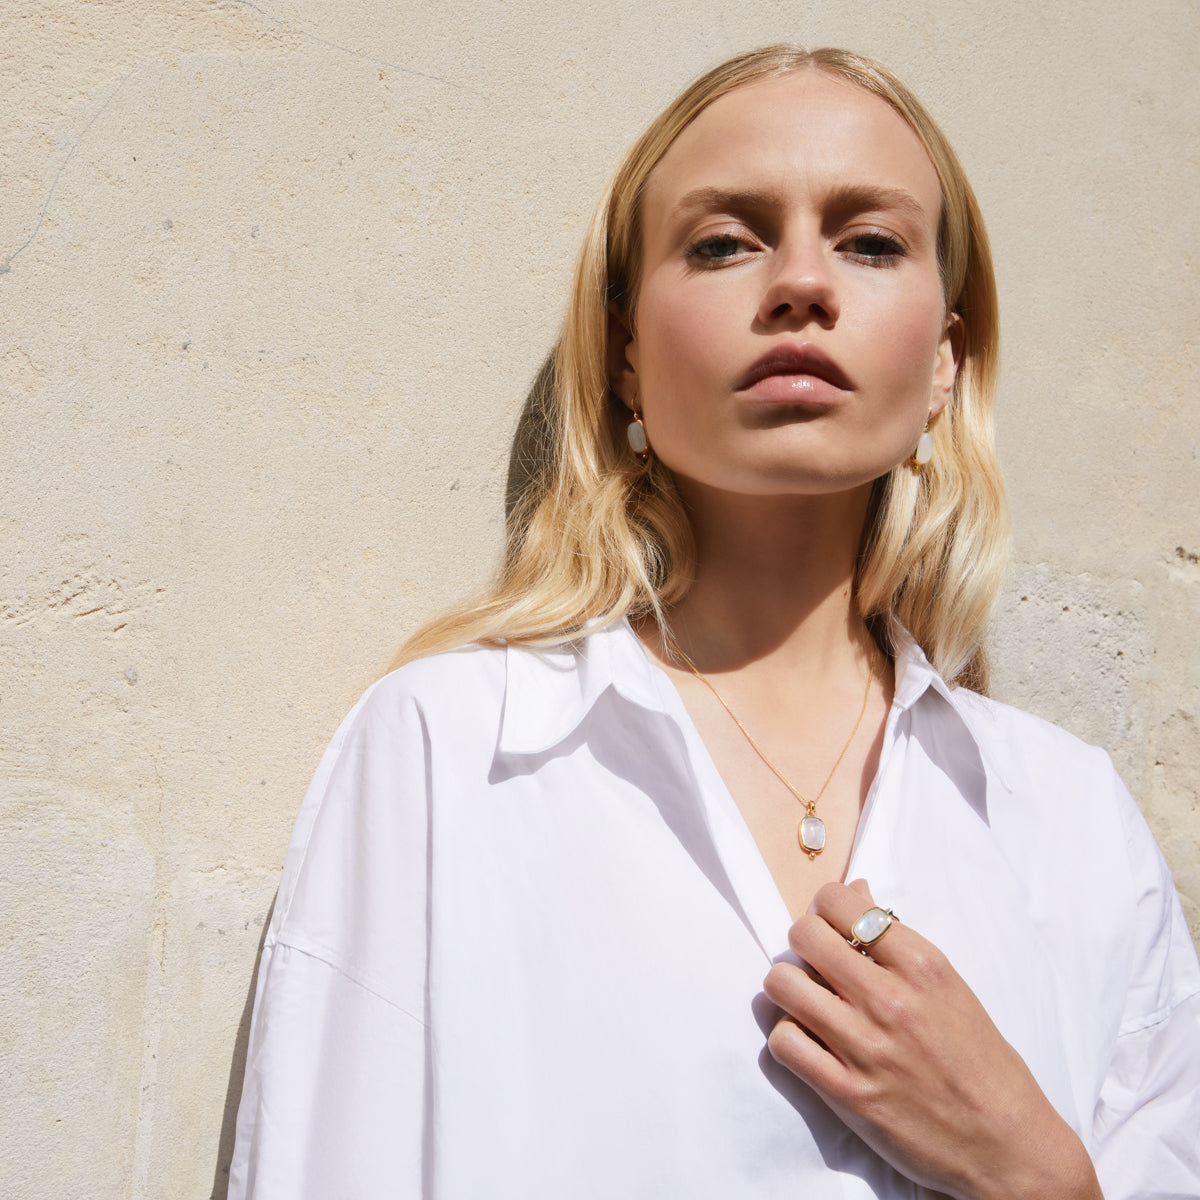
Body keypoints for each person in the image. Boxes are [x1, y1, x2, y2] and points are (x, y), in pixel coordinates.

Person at [228, 46, 1200, 1199]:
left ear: (945, 359)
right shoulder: (450, 757)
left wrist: (1035, 1175)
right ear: (629, 355)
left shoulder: (1074, 825)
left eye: (872, 241)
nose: (801, 284)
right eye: (724, 242)